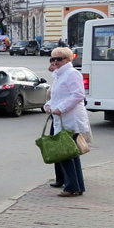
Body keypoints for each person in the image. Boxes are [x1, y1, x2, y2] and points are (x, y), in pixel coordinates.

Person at [43, 46, 90, 197]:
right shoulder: (59, 75)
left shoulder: (72, 74)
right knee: (70, 154)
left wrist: (60, 108)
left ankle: (71, 187)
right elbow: (55, 96)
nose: (55, 62)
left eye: (59, 59)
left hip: (69, 120)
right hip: (61, 119)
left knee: (65, 154)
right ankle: (76, 186)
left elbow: (78, 95)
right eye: (53, 59)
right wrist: (48, 105)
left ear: (68, 60)